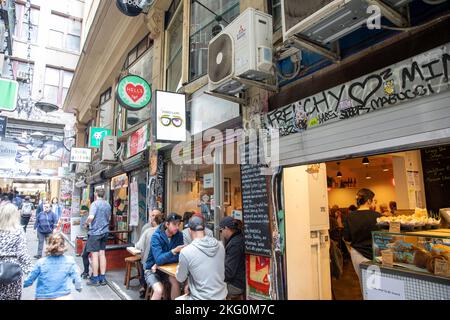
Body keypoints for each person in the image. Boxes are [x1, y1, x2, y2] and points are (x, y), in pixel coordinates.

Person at [175, 215, 227, 300]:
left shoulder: (186, 251)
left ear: (189, 230)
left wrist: (179, 267)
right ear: (204, 229)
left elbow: (180, 278)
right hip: (221, 296)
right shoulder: (220, 246)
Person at [24, 233, 82, 300]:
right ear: (63, 245)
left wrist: (26, 284)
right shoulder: (70, 261)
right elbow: (77, 278)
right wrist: (78, 288)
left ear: (48, 245)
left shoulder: (41, 262)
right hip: (62, 296)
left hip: (43, 296)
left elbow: (30, 279)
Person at [144, 213, 185, 300]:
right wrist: (173, 251)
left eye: (178, 225)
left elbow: (180, 257)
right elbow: (159, 259)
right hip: (152, 270)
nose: (177, 227)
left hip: (166, 270)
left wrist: (160, 261)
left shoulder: (179, 235)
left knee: (175, 282)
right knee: (159, 290)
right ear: (167, 224)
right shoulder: (156, 236)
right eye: (174, 224)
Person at [344, 188, 381, 280]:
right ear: (368, 201)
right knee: (376, 283)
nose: (373, 203)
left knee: (363, 282)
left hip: (357, 254)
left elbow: (347, 238)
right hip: (375, 254)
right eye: (373, 201)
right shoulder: (377, 216)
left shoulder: (349, 216)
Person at [0, 204, 32, 300]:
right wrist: (30, 270)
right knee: (12, 296)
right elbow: (22, 253)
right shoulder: (18, 231)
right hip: (12, 270)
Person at [84, 188, 111, 286]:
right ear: (103, 194)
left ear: (96, 194)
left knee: (94, 256)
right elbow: (108, 218)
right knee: (102, 254)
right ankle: (103, 278)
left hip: (95, 233)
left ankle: (95, 279)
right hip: (105, 232)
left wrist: (86, 223)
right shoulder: (108, 204)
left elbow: (91, 217)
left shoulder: (94, 204)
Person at [135, 210, 165, 298]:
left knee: (142, 262)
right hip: (162, 263)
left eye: (153, 216)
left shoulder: (148, 230)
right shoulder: (147, 228)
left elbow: (139, 246)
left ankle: (144, 287)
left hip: (151, 264)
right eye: (152, 215)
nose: (152, 217)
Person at [219, 216, 245, 298]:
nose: (221, 233)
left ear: (226, 228)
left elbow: (229, 273)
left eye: (221, 230)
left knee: (210, 289)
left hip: (236, 285)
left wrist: (215, 276)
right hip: (239, 281)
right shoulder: (238, 237)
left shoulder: (235, 244)